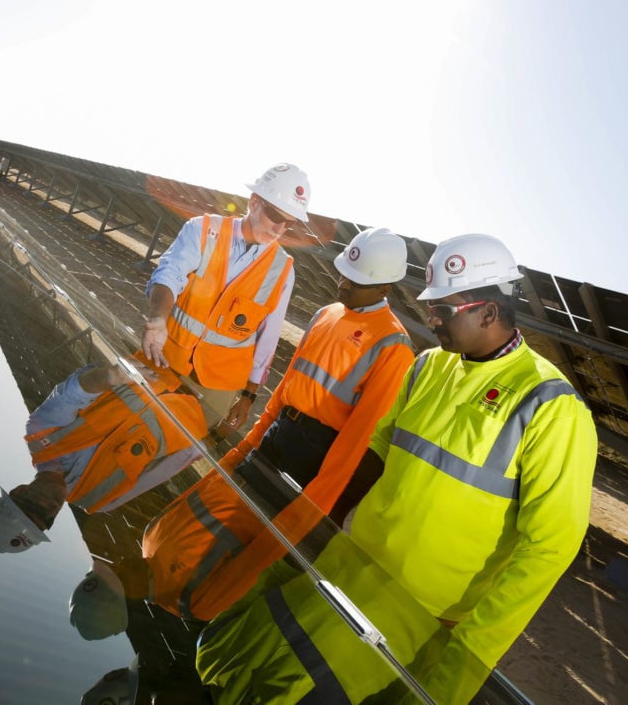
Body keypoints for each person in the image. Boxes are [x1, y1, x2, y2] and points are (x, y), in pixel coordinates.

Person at [195, 233, 599, 704]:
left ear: (489, 313)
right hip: (347, 567)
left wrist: (469, 654)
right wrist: (314, 533)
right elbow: (377, 455)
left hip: (417, 613)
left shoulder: (549, 405)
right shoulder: (429, 367)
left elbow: (549, 547)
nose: (430, 319)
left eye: (442, 311)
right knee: (230, 662)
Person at [143, 227, 416, 622]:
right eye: (343, 273)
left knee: (247, 541)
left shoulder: (394, 346)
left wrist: (313, 508)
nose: (343, 283)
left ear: (384, 289)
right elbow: (287, 386)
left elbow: (357, 440)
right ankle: (168, 583)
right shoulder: (326, 314)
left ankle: (195, 606)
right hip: (278, 435)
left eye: (356, 282)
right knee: (221, 511)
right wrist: (251, 440)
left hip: (313, 459)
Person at [141, 163, 310, 432]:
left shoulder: (283, 270)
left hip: (218, 386)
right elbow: (169, 274)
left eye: (289, 223)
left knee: (178, 447)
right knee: (132, 431)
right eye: (275, 215)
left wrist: (248, 396)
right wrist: (158, 320)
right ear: (254, 202)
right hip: (165, 357)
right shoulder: (202, 230)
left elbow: (267, 338)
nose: (279, 229)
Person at [0, 352, 207, 554]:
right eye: (47, 520)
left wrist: (113, 376)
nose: (49, 510)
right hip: (201, 410)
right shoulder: (100, 500)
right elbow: (163, 469)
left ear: (20, 491)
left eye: (34, 508)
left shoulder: (40, 435)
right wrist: (215, 436)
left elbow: (74, 391)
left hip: (166, 360)